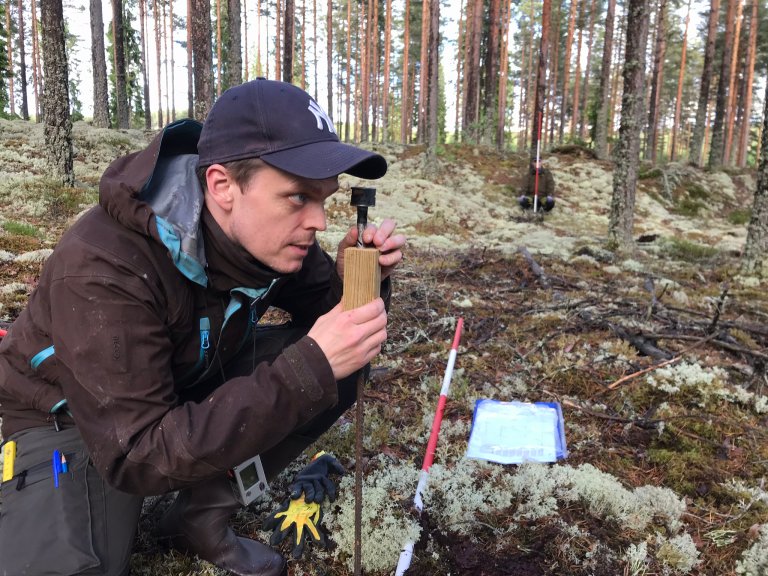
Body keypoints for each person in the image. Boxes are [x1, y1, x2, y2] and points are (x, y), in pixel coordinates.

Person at [0, 79, 405, 576]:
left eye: (325, 198)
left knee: (337, 362)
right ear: (222, 185)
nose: (318, 221)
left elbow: (323, 318)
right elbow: (135, 453)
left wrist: (350, 279)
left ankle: (200, 517)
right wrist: (304, 370)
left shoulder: (268, 235)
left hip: (183, 380)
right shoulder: (102, 267)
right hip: (74, 420)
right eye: (298, 197)